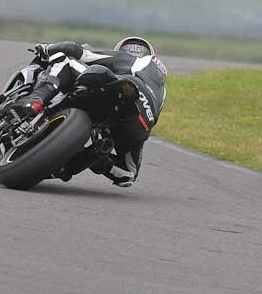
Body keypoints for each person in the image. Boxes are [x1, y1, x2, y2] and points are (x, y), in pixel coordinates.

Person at [10, 36, 167, 187]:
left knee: (64, 59)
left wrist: (47, 48)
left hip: (121, 89)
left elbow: (77, 51)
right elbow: (126, 178)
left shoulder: (127, 59)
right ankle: (91, 155)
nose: (132, 53)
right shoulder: (160, 89)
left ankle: (36, 99)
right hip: (140, 122)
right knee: (127, 173)